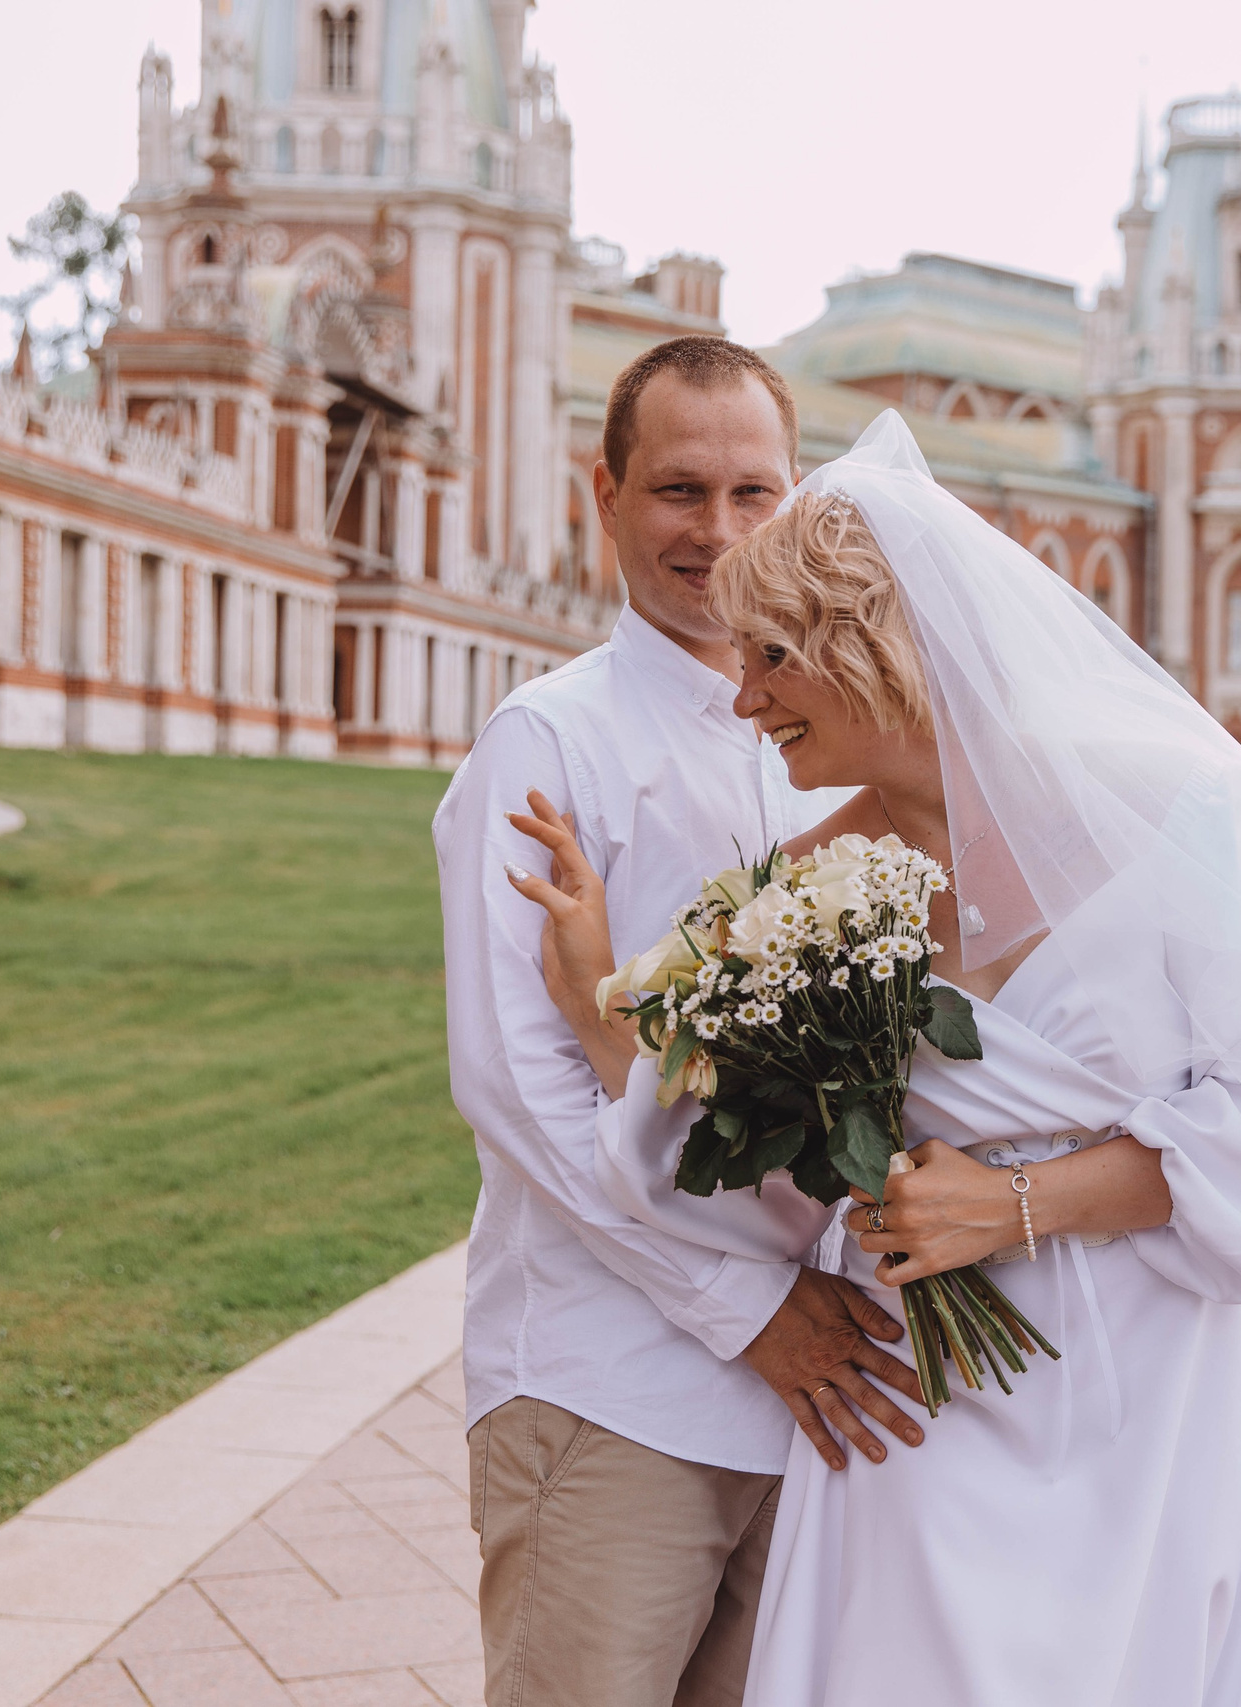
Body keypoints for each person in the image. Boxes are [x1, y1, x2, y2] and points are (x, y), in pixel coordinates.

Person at [504, 413, 1241, 1706]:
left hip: (1158, 1390)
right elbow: (691, 1159)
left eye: (775, 655)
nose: (744, 699)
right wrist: (601, 1002)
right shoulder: (794, 896)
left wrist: (1015, 1201)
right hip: (922, 1399)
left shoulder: (1172, 816)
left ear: (876, 646)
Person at [432, 339, 931, 1707]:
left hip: (821, 1392)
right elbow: (516, 1088)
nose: (717, 532)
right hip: (615, 1386)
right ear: (605, 495)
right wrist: (749, 1303)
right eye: (678, 489)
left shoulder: (832, 742)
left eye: (755, 492)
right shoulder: (549, 744)